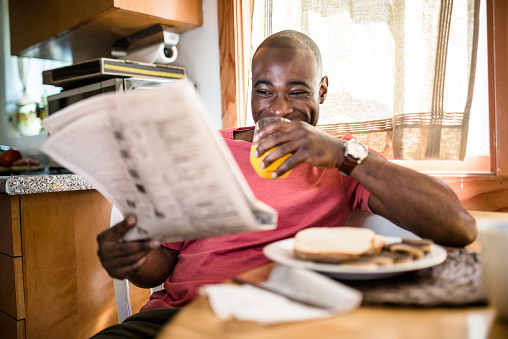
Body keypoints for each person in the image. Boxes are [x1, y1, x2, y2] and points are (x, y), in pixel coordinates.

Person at [92, 30, 477, 338]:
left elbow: (457, 226)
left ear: (322, 89)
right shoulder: (202, 148)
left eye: (297, 91)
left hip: (284, 322)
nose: (278, 109)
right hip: (175, 319)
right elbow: (156, 270)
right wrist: (132, 258)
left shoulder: (343, 159)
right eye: (264, 91)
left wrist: (344, 155)